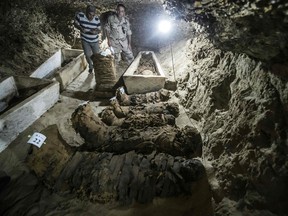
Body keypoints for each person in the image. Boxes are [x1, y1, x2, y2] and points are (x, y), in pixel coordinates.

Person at [74, 5, 101, 73]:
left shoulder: (97, 20)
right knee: (87, 55)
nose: (91, 17)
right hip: (85, 39)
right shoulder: (80, 16)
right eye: (89, 14)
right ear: (86, 12)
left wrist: (95, 32)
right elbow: (75, 23)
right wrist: (80, 28)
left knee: (96, 55)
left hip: (94, 40)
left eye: (93, 15)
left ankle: (97, 67)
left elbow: (99, 30)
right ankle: (91, 67)